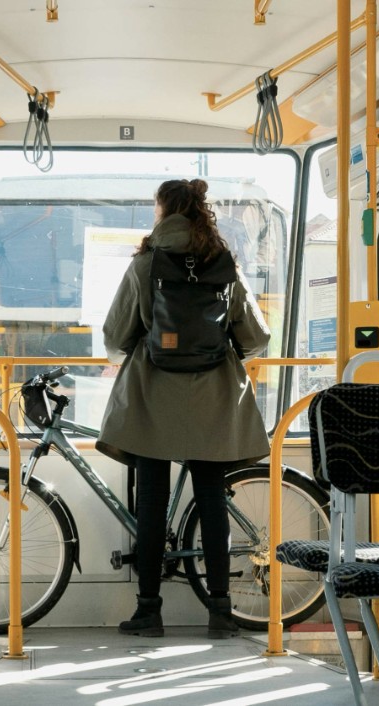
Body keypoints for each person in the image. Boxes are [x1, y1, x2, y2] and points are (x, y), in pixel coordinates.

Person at [98, 178, 271, 639]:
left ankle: (148, 611)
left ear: (163, 211)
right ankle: (220, 611)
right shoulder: (224, 263)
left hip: (153, 398)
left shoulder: (145, 265)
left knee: (151, 504)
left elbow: (115, 336)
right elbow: (256, 337)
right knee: (212, 501)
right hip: (214, 399)